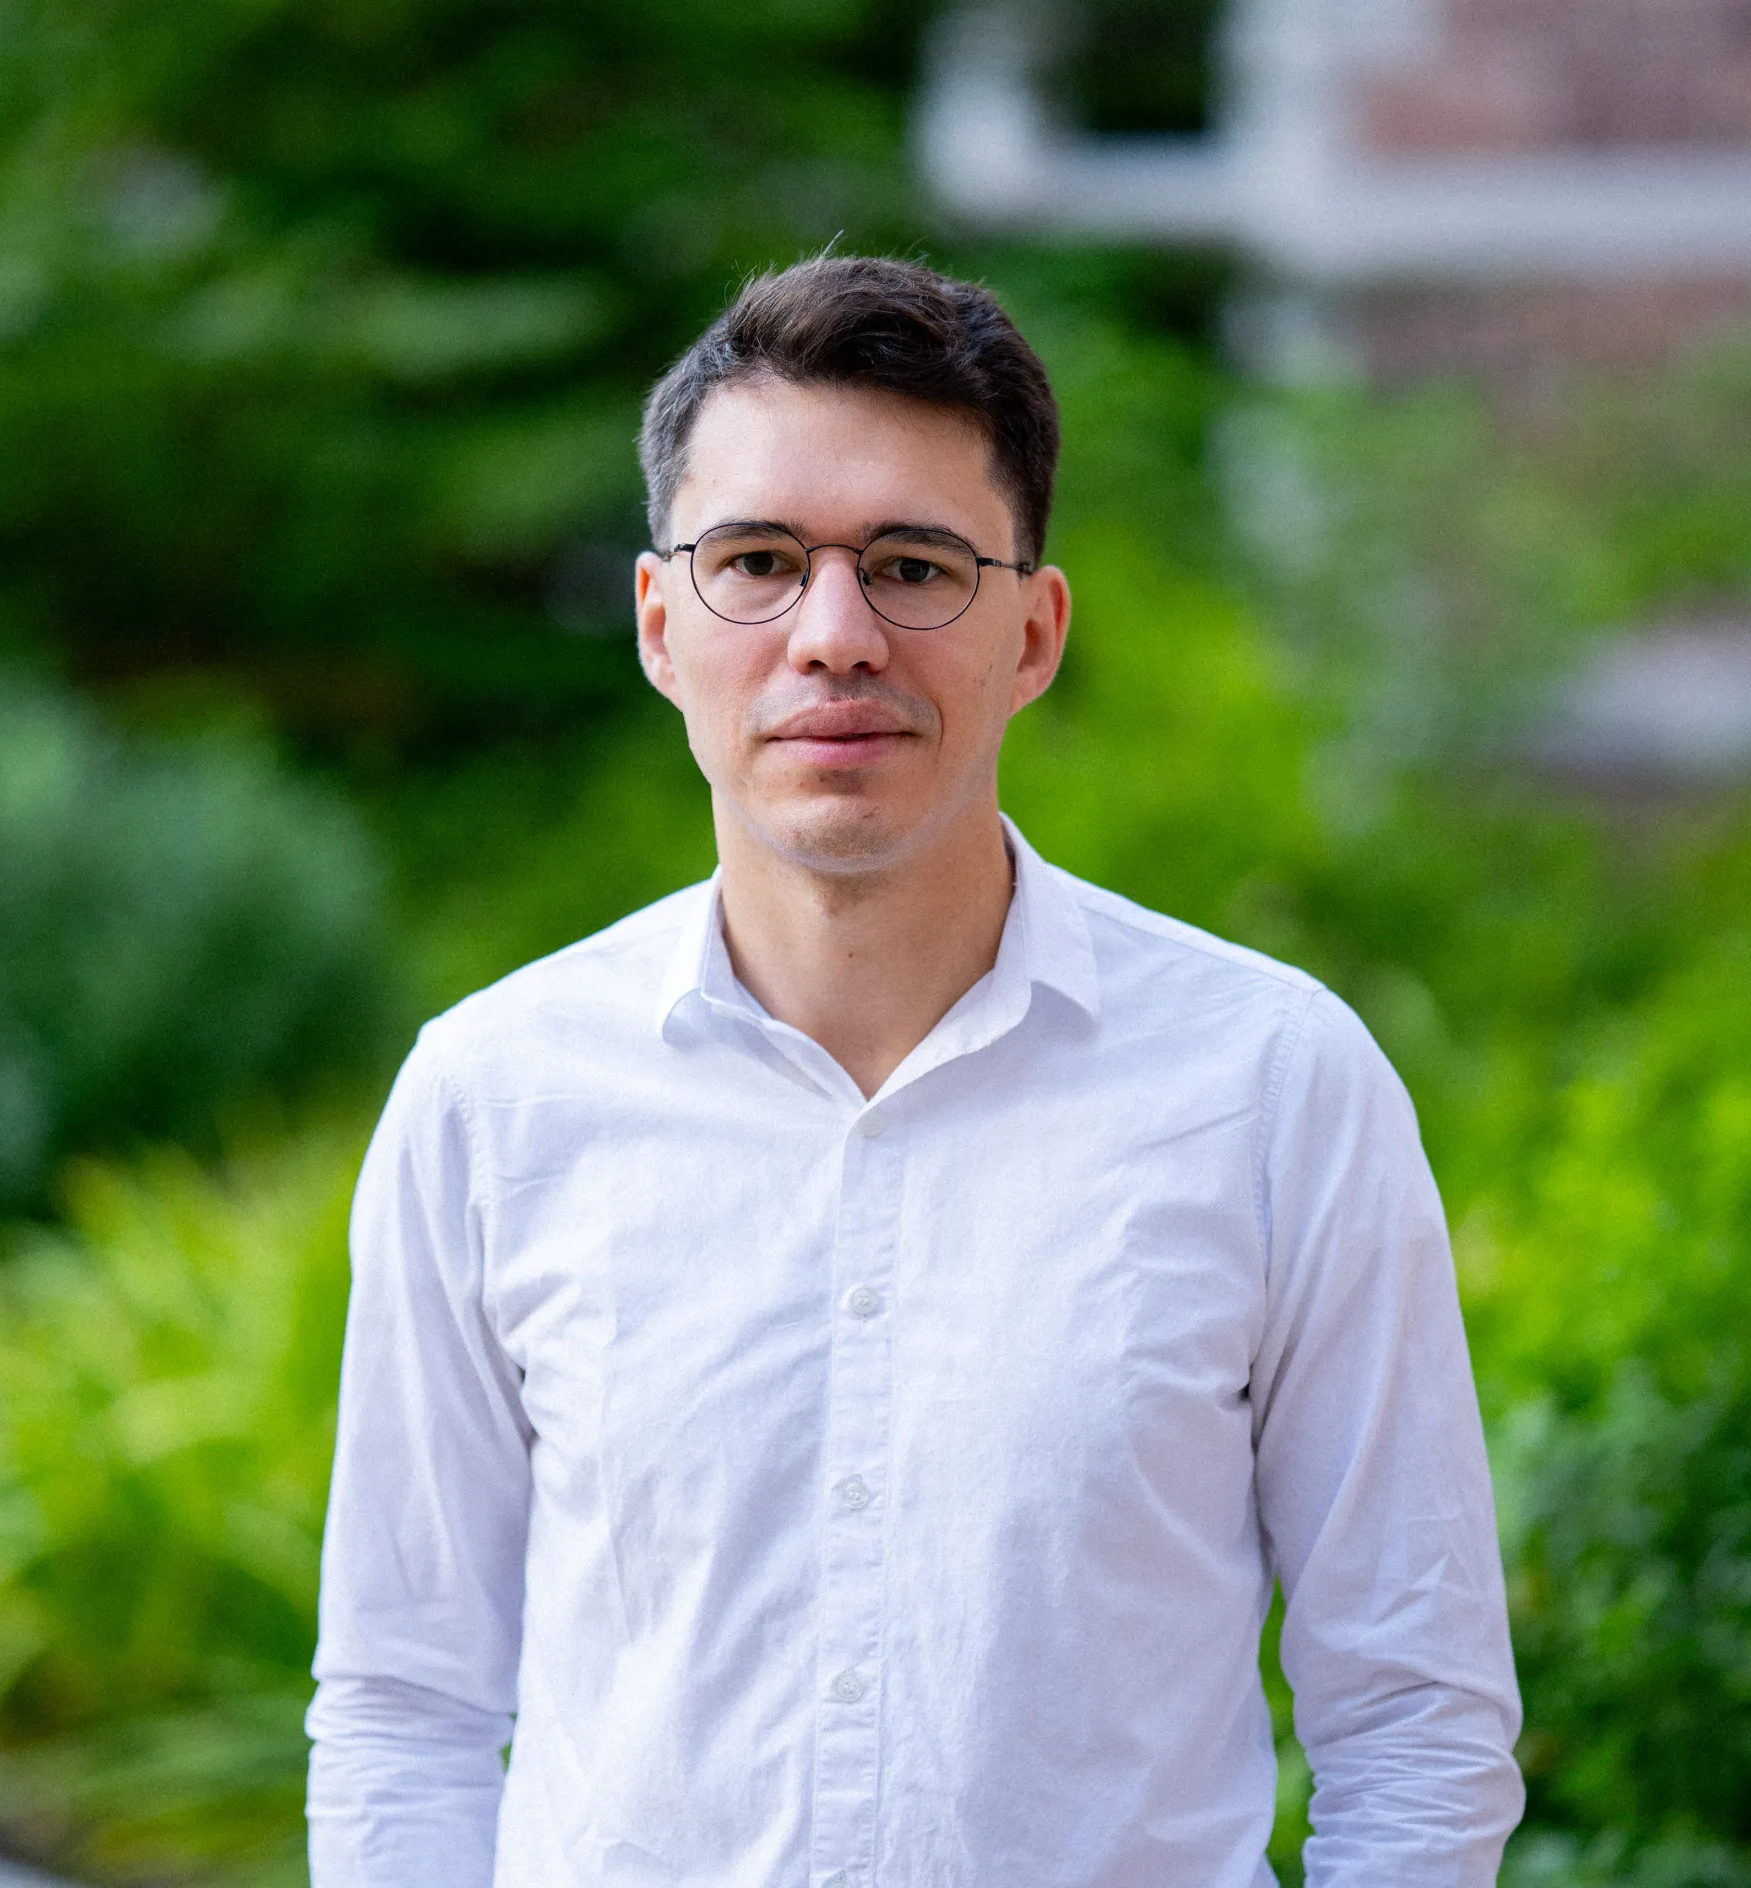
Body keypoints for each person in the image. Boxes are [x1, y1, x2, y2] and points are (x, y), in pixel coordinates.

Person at [305, 256, 1523, 1887]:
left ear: (1035, 630)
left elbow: (1414, 1722)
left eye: (913, 565)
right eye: (756, 562)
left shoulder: (1276, 1089)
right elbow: (406, 1706)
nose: (833, 636)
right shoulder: (493, 1101)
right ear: (663, 628)